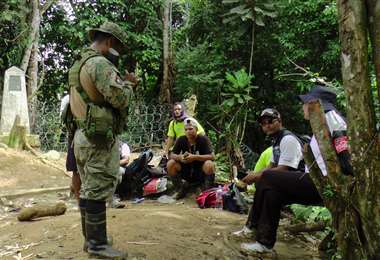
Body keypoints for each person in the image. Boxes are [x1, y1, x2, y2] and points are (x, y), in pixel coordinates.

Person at [236, 87, 351, 254]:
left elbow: (345, 154)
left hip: (325, 182)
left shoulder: (332, 119)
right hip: (315, 180)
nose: (302, 107)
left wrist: (344, 183)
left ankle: (252, 227)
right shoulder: (323, 120)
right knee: (273, 193)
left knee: (268, 177)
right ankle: (264, 245)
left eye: (304, 103)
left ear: (316, 104)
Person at [69, 21, 136, 259]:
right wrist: (129, 83)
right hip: (97, 139)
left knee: (88, 189)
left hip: (81, 135)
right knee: (96, 190)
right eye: (118, 46)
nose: (118, 51)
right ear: (109, 42)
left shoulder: (80, 63)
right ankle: (98, 245)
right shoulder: (100, 64)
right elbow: (121, 99)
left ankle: (92, 240)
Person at [167, 118, 215, 199]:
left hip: (199, 170)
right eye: (186, 129)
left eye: (190, 129)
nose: (188, 131)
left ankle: (206, 191)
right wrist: (180, 157)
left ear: (196, 129)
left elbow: (212, 156)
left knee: (209, 164)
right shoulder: (181, 139)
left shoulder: (203, 139)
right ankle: (180, 189)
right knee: (170, 163)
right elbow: (172, 154)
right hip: (186, 170)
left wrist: (195, 157)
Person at [60, 92, 81, 201]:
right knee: (76, 170)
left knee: (77, 170)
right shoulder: (68, 99)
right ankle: (79, 200)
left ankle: (79, 199)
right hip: (75, 135)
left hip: (75, 135)